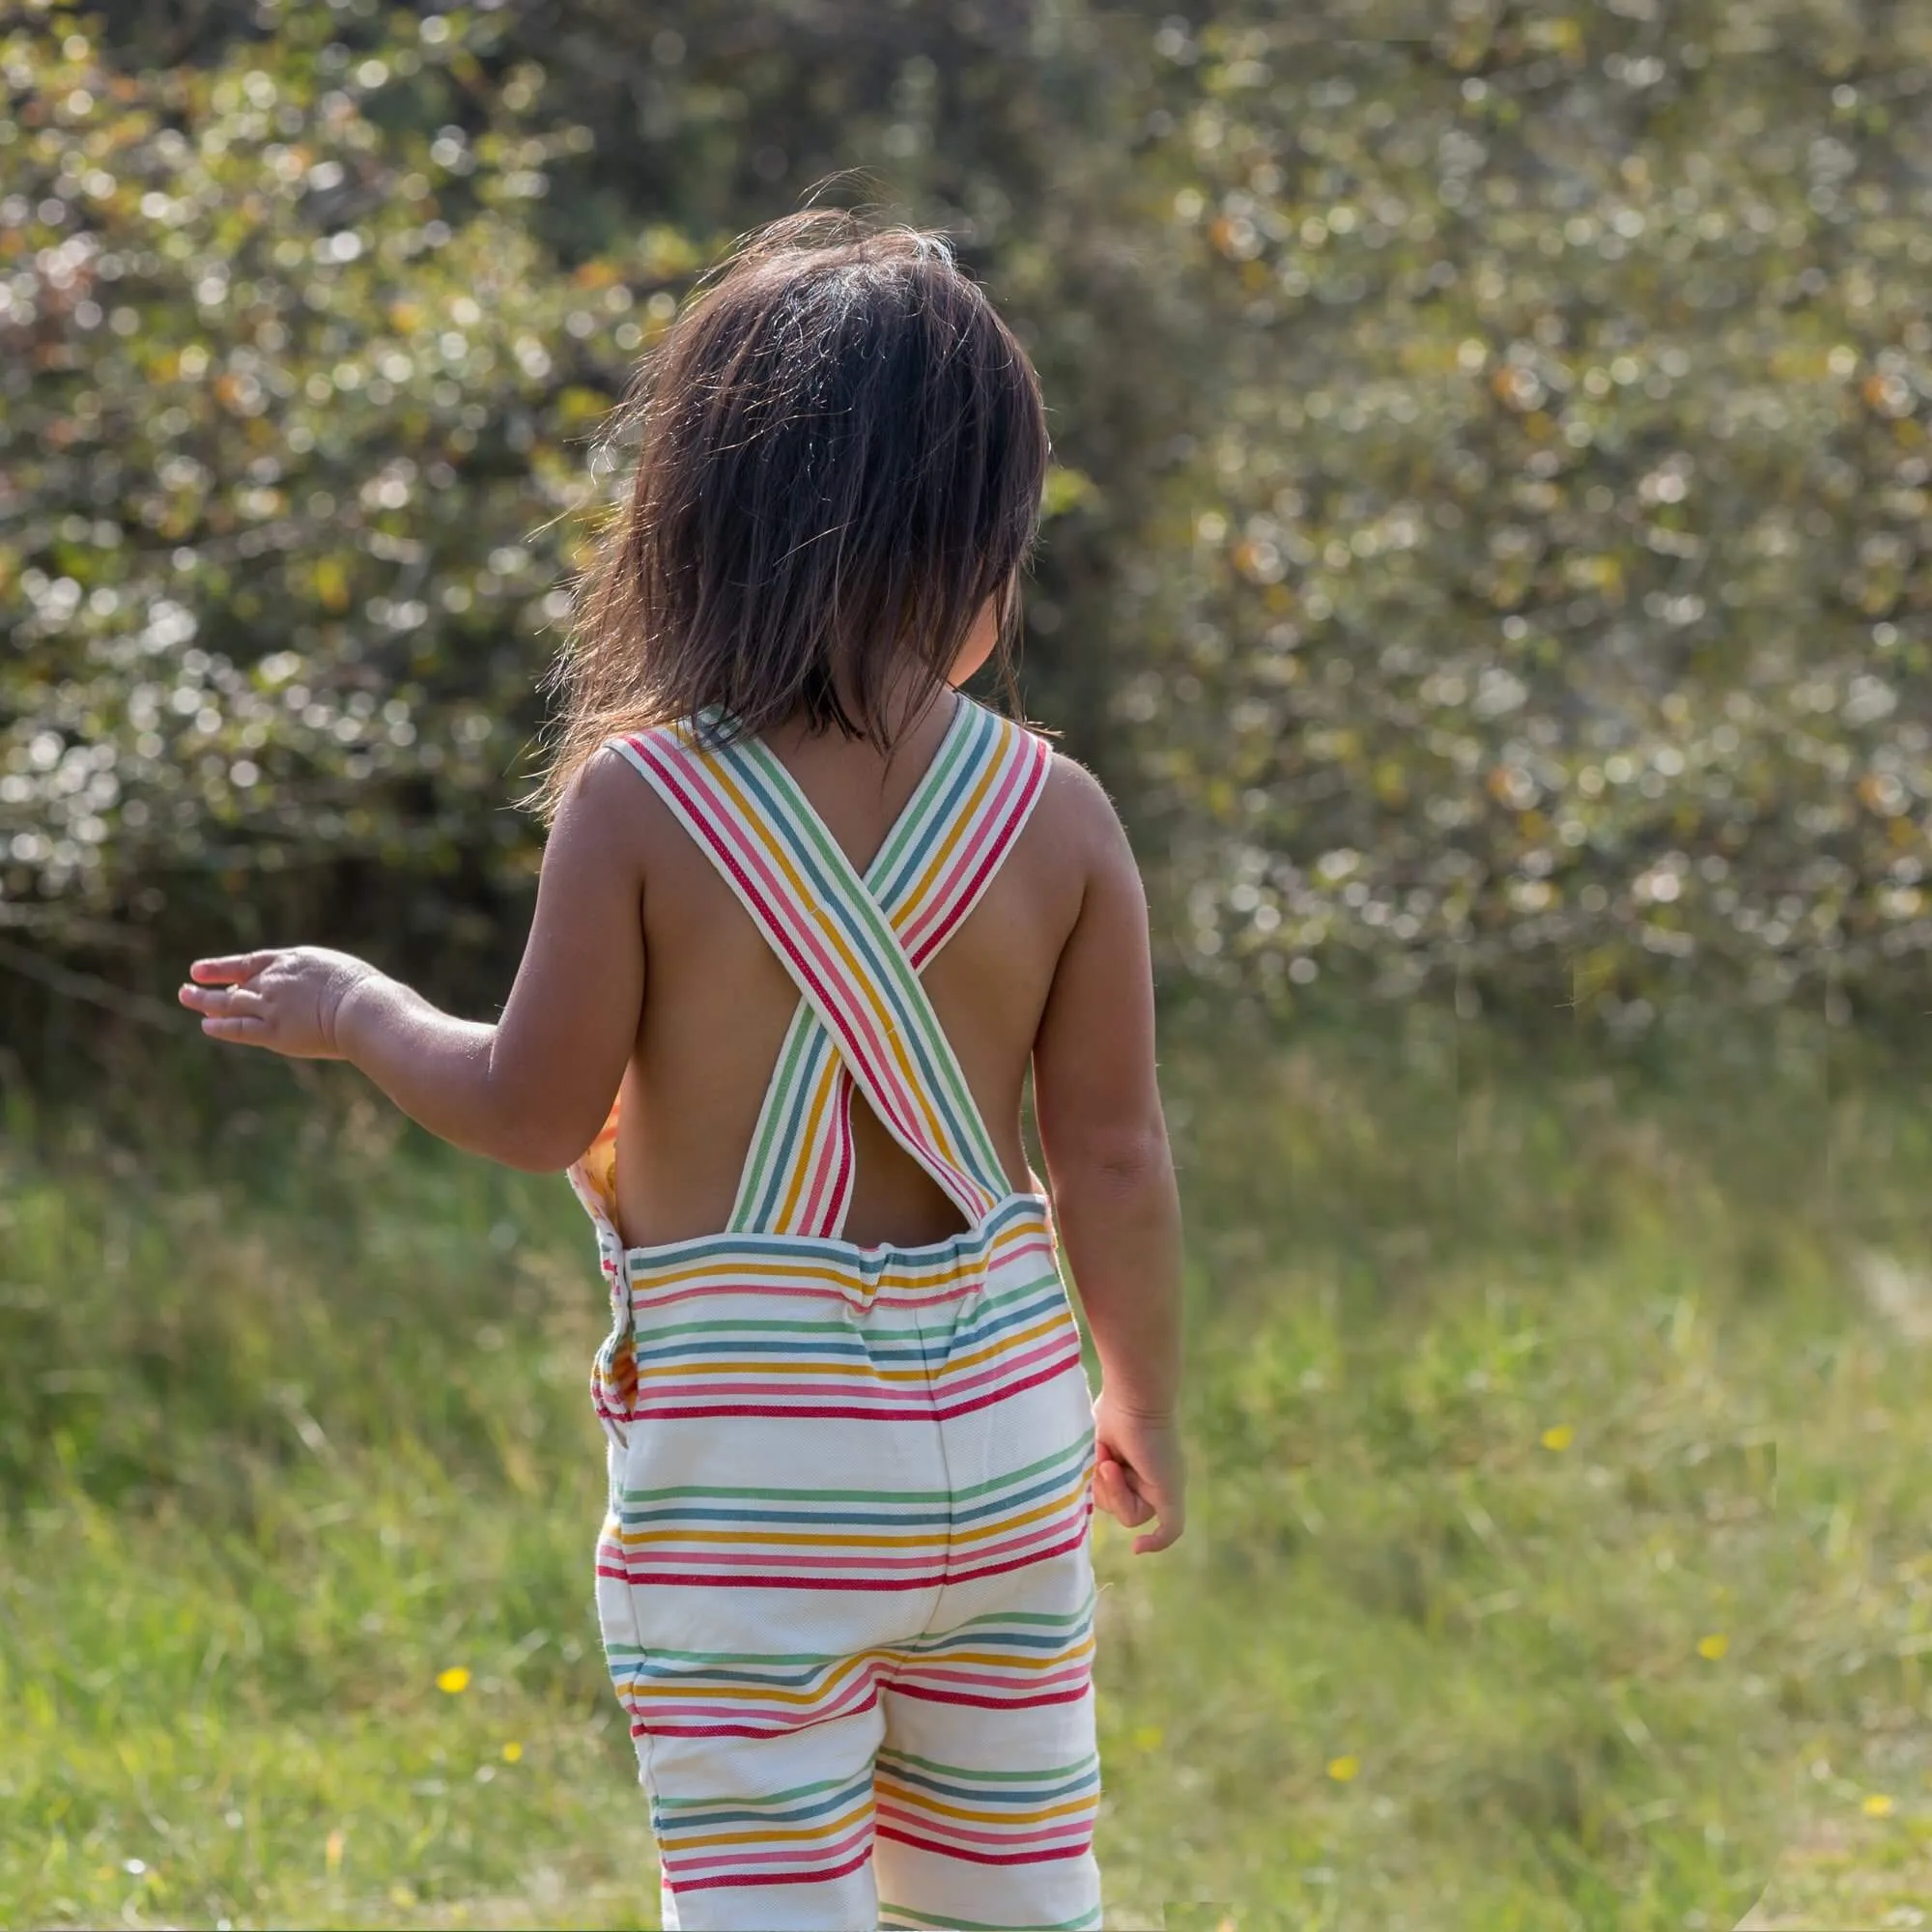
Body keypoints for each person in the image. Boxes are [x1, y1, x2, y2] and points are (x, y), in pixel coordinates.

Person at [180, 210, 1184, 1932]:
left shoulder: (645, 806)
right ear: (981, 544)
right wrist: (1140, 1397)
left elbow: (530, 1107)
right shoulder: (1060, 817)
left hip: (755, 1488)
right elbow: (1113, 1157)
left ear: (703, 524)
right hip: (1009, 1459)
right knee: (1015, 1905)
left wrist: (357, 1010)